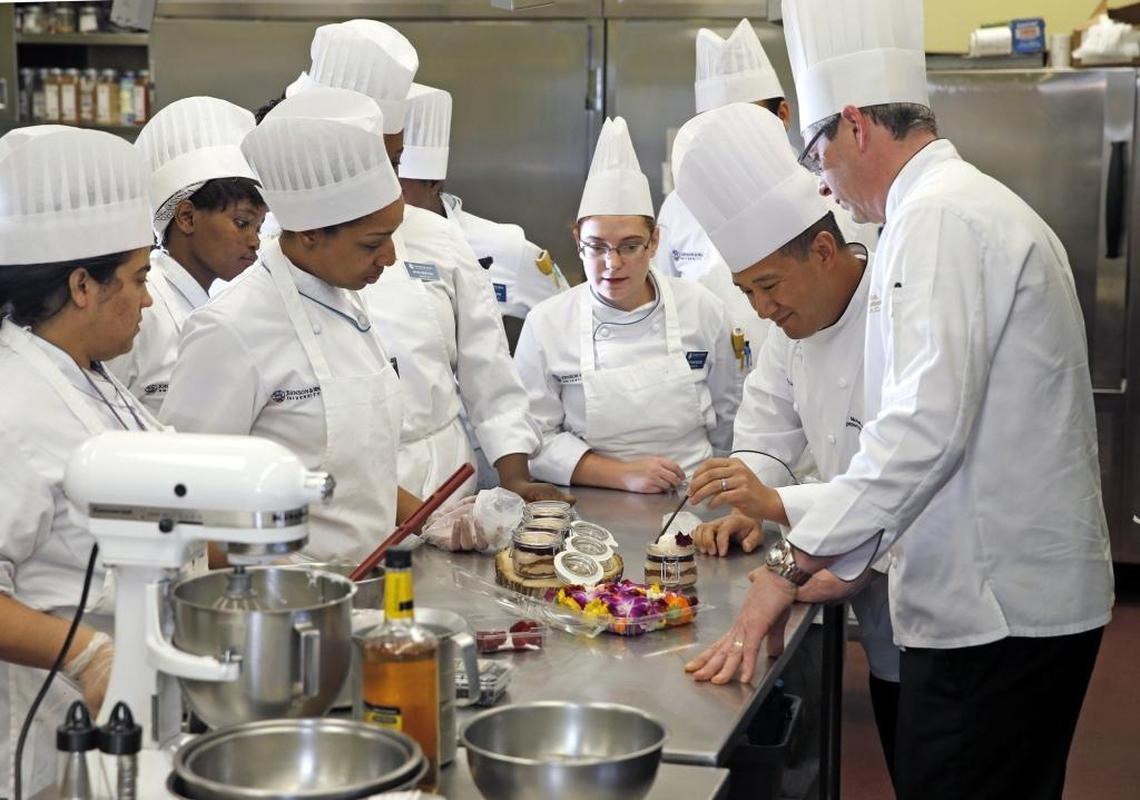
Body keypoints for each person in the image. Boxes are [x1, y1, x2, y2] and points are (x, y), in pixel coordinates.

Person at [682, 2, 1115, 798]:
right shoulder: (944, 210)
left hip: (998, 614)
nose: (820, 181)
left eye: (818, 152)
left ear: (855, 125)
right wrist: (834, 559)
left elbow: (921, 431)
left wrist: (787, 565)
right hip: (1000, 605)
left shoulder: (938, 219)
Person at [677, 103, 900, 775]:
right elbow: (767, 433)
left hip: (932, 580)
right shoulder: (789, 331)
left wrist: (784, 534)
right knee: (906, 748)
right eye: (748, 292)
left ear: (826, 251)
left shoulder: (896, 308)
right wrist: (747, 501)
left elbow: (904, 471)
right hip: (848, 569)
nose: (763, 309)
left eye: (769, 286)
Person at [288, 20, 568, 505]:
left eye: (394, 161)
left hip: (444, 479)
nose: (388, 180)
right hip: (329, 494)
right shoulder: (281, 245)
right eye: (378, 159)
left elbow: (488, 368)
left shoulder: (437, 236)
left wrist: (514, 474)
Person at [160, 88, 411, 564]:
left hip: (368, 584)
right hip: (279, 604)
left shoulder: (345, 300)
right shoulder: (230, 329)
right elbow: (186, 502)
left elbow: (353, 473)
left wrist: (435, 523)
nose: (390, 258)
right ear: (310, 233)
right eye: (373, 243)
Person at [0, 126, 159, 797]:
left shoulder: (85, 373)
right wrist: (88, 655)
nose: (149, 300)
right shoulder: (14, 406)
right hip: (42, 743)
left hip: (121, 719)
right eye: (140, 278)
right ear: (83, 286)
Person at [514, 117, 740, 493]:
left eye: (630, 246)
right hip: (589, 501)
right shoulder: (547, 323)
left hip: (695, 501)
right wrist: (621, 474)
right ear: (577, 240)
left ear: (654, 242)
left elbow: (731, 419)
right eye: (597, 246)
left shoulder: (702, 309)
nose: (612, 263)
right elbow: (534, 438)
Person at [106, 96, 265, 413]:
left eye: (259, 228)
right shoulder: (142, 307)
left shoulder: (214, 303)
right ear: (187, 217)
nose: (255, 242)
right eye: (242, 223)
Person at [398, 83, 569, 327]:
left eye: (398, 188)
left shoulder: (502, 248)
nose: (385, 201)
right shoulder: (355, 250)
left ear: (433, 182)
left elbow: (570, 317)